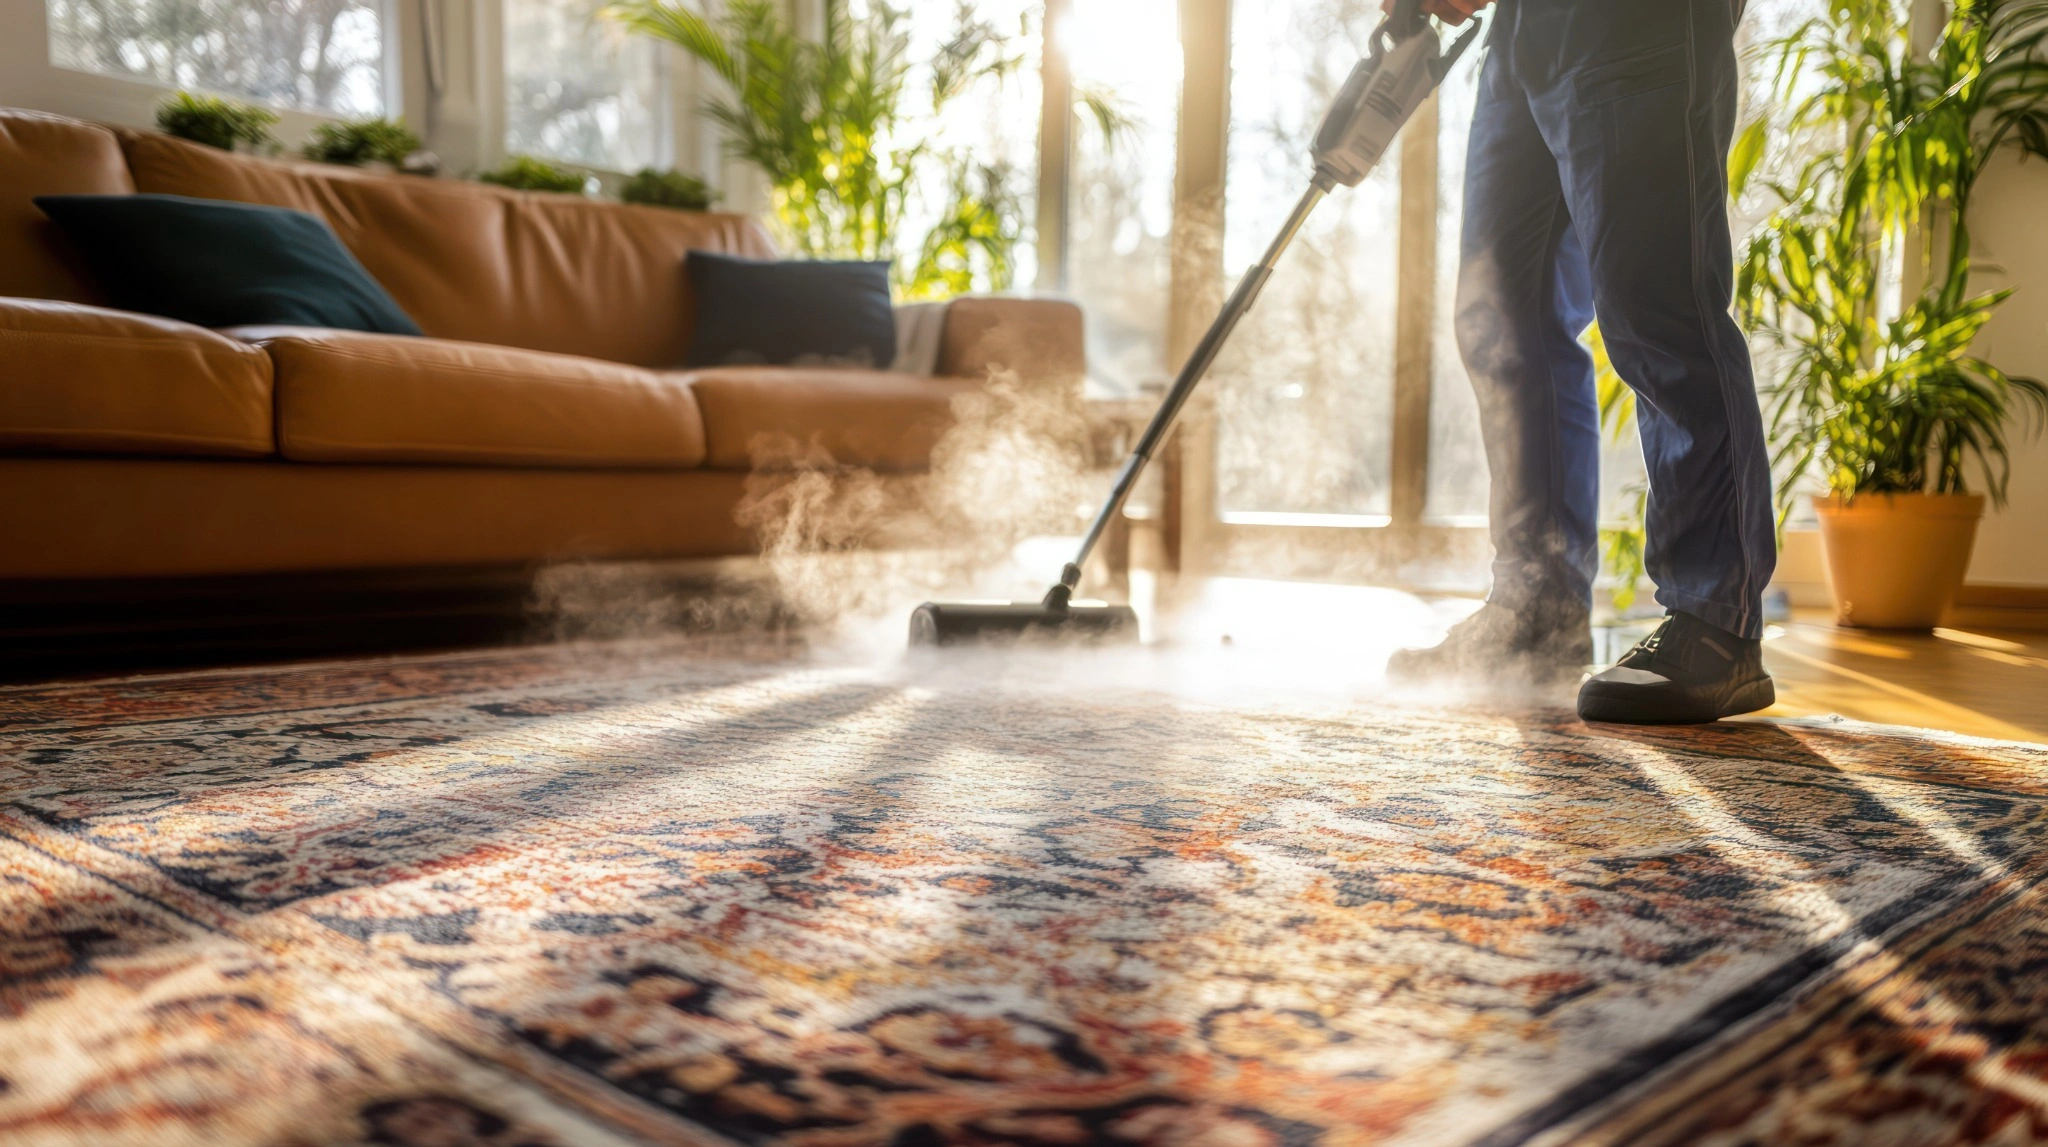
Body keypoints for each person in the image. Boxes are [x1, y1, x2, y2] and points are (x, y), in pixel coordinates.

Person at [1386, 0, 1777, 725]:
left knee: (1655, 303)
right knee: (1500, 316)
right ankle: (1537, 606)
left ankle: (1716, 619)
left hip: (1638, 19)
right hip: (1523, 29)